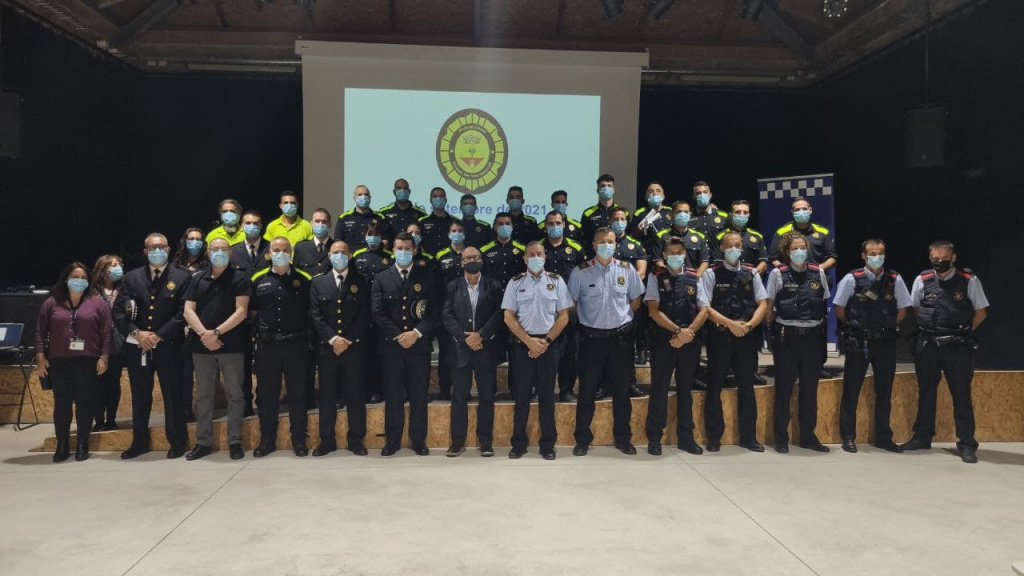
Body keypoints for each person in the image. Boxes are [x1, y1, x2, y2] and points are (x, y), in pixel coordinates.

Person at [903, 240, 989, 463]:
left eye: (944, 257)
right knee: (926, 392)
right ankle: (922, 437)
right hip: (928, 345)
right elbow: (916, 308)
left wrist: (963, 332)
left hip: (957, 347)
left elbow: (980, 313)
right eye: (935, 258)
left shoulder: (969, 280)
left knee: (961, 394)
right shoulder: (922, 280)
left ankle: (967, 443)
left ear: (953, 258)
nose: (939, 261)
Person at [113, 233, 191, 460]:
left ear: (168, 249)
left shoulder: (182, 276)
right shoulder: (131, 277)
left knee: (172, 395)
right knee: (140, 395)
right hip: (138, 346)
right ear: (145, 251)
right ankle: (139, 442)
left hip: (169, 346)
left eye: (162, 247)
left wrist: (157, 336)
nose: (158, 250)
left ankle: (177, 442)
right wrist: (138, 334)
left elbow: (182, 314)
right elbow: (119, 311)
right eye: (152, 247)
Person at [568, 227, 645, 456]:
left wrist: (621, 319)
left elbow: (636, 300)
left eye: (610, 241)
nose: (606, 245)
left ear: (616, 244)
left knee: (622, 392)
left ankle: (623, 439)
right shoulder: (580, 272)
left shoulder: (627, 269)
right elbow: (572, 303)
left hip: (620, 340)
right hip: (591, 340)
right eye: (601, 241)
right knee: (587, 392)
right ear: (593, 245)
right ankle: (582, 439)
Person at [833, 239, 911, 454]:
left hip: (885, 341)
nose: (877, 256)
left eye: (881, 253)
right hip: (859, 341)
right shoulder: (852, 279)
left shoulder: (895, 279)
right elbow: (839, 308)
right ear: (864, 256)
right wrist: (855, 327)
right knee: (851, 390)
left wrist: (884, 326)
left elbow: (903, 309)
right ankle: (848, 437)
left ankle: (884, 437)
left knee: (884, 392)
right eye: (872, 253)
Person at [371, 232, 442, 456]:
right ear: (393, 249)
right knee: (393, 395)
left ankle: (418, 440)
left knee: (419, 395)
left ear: (414, 250)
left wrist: (417, 333)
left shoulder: (427, 276)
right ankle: (392, 441)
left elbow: (435, 310)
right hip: (391, 347)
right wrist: (399, 336)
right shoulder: (381, 278)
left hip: (419, 346)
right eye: (399, 247)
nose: (403, 251)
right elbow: (377, 312)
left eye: (407, 248)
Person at [182, 238, 250, 461]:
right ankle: (202, 442)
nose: (219, 252)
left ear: (230, 252)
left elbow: (241, 311)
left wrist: (217, 333)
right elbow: (188, 311)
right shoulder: (197, 278)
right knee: (203, 397)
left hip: (231, 346)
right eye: (215, 249)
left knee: (235, 396)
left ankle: (234, 441)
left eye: (223, 249)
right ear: (208, 253)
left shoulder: (239, 278)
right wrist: (205, 334)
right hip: (201, 347)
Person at [35, 262, 110, 462]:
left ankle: (83, 444)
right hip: (59, 361)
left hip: (87, 360)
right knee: (62, 404)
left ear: (89, 281)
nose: (79, 281)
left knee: (85, 403)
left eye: (83, 278)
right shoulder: (52, 302)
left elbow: (106, 333)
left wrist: (104, 357)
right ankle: (62, 444)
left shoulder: (98, 303)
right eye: (75, 277)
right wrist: (41, 357)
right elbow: (40, 332)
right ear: (66, 279)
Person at [502, 242, 572, 460]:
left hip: (548, 346)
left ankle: (547, 445)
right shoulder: (515, 283)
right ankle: (519, 444)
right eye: (531, 254)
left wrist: (546, 341)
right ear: (524, 259)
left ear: (545, 257)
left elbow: (564, 315)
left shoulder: (556, 281)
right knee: (521, 396)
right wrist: (529, 342)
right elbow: (508, 317)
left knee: (547, 397)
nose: (535, 257)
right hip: (523, 346)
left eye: (539, 254)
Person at [702, 232, 770, 452]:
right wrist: (730, 324)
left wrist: (748, 326)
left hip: (745, 336)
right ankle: (714, 437)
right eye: (729, 245)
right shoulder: (712, 273)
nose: (734, 248)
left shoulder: (752, 273)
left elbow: (763, 304)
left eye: (738, 245)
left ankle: (748, 438)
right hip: (719, 336)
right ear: (721, 248)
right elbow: (706, 307)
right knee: (714, 387)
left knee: (747, 387)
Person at [766, 232, 831, 454]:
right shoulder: (777, 274)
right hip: (787, 337)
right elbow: (769, 306)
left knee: (809, 390)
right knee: (783, 389)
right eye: (795, 248)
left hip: (813, 337)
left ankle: (808, 436)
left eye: (803, 247)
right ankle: (781, 438)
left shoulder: (818, 272)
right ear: (787, 251)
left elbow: (823, 302)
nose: (800, 251)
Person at [643, 237, 709, 455]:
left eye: (679, 252)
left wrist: (687, 334)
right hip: (664, 341)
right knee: (659, 389)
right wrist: (678, 332)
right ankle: (654, 438)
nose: (675, 256)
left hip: (689, 342)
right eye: (670, 252)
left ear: (684, 255)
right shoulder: (655, 277)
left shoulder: (695, 278)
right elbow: (653, 310)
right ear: (664, 255)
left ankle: (686, 438)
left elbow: (704, 310)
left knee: (685, 391)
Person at [250, 236, 313, 457]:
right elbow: (252, 312)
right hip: (267, 346)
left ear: (291, 252)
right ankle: (267, 440)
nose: (281, 253)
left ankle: (299, 439)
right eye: (276, 250)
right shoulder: (258, 279)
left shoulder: (304, 279)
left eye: (285, 249)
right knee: (267, 395)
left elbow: (311, 312)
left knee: (298, 394)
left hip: (296, 344)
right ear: (268, 254)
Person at [309, 241, 371, 456]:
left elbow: (365, 314)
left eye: (344, 252)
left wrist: (347, 340)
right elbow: (316, 316)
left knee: (356, 394)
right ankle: (327, 440)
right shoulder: (318, 283)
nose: (340, 255)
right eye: (335, 252)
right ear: (329, 255)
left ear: (351, 255)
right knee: (327, 396)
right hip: (328, 349)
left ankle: (356, 440)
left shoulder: (362, 281)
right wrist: (333, 339)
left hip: (354, 348)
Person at [442, 246, 505, 457]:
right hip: (461, 350)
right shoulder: (452, 286)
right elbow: (447, 315)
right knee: (459, 397)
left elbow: (500, 313)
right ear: (461, 262)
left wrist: (482, 335)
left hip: (486, 349)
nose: (473, 260)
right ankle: (457, 442)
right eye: (468, 257)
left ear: (482, 260)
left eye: (476, 257)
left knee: (487, 397)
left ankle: (485, 442)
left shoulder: (494, 285)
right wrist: (465, 337)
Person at [541, 210, 585, 402]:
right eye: (550, 223)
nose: (554, 226)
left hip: (570, 308)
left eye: (558, 223)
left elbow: (584, 276)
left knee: (570, 352)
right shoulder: (538, 248)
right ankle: (544, 389)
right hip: (544, 309)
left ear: (564, 224)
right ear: (545, 226)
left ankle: (566, 389)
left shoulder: (576, 248)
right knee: (547, 350)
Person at [228, 209, 267, 417]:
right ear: (242, 226)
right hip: (239, 317)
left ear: (261, 226)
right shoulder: (232, 251)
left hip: (265, 316)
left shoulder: (272, 248)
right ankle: (244, 404)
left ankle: (263, 400)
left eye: (255, 223)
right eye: (247, 223)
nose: (251, 226)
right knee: (241, 363)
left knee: (263, 362)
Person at [609, 205, 648, 398]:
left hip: (628, 301)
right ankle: (603, 384)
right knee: (604, 347)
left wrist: (624, 289)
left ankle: (629, 383)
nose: (619, 222)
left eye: (622, 219)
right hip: (606, 303)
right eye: (615, 219)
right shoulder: (604, 243)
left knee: (627, 346)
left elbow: (641, 272)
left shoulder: (635, 245)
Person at [352, 222, 393, 405]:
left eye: (377, 234)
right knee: (362, 355)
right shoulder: (357, 257)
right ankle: (363, 390)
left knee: (380, 355)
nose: (373, 238)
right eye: (370, 234)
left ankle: (379, 390)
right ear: (364, 236)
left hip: (383, 312)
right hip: (361, 311)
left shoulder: (390, 257)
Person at [173, 227, 208, 423]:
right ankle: (185, 410)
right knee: (184, 372)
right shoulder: (175, 267)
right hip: (179, 326)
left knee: (204, 374)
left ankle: (205, 412)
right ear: (184, 242)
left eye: (198, 239)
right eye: (190, 239)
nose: (194, 242)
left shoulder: (208, 266)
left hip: (203, 325)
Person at [91, 254, 125, 431]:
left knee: (114, 382)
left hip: (118, 344)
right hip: (96, 344)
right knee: (98, 383)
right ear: (103, 269)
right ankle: (99, 420)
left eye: (119, 264)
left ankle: (111, 418)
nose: (117, 267)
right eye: (112, 265)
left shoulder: (125, 289)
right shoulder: (92, 291)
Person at [768, 197, 837, 271]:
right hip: (790, 278)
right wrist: (784, 270)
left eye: (804, 209)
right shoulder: (781, 232)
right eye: (797, 210)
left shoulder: (823, 232)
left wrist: (819, 269)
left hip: (817, 278)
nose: (801, 211)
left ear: (810, 210)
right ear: (792, 212)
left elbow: (832, 258)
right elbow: (773, 258)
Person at [651, 201, 710, 276]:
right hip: (669, 279)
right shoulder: (661, 236)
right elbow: (658, 261)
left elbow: (704, 262)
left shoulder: (700, 237)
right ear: (671, 214)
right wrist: (670, 274)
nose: (682, 214)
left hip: (693, 280)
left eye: (685, 212)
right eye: (679, 211)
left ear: (690, 214)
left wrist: (695, 278)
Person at [712, 200, 768, 273]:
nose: (742, 215)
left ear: (749, 215)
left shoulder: (757, 236)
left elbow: (763, 261)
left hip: (752, 278)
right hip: (727, 279)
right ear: (731, 214)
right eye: (738, 212)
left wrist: (753, 274)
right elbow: (717, 262)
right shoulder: (720, 236)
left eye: (745, 212)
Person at [481, 213, 527, 290]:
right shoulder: (484, 250)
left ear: (512, 227)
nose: (504, 226)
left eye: (508, 223)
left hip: (516, 294)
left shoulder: (523, 249)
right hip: (492, 295)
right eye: (500, 224)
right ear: (495, 227)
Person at [334, 185, 386, 251]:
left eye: (366, 194)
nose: (363, 197)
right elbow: (338, 242)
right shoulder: (344, 218)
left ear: (370, 198)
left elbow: (385, 241)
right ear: (354, 198)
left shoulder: (380, 217)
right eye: (360, 195)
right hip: (351, 259)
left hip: (373, 258)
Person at [580, 174, 617, 254]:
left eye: (609, 186)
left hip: (617, 256)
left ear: (613, 190)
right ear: (598, 190)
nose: (606, 188)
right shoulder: (588, 213)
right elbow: (584, 239)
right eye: (603, 186)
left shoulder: (621, 212)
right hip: (594, 256)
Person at [294, 208, 335, 277]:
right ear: (311, 224)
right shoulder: (300, 248)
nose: (320, 224)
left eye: (324, 222)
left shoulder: (336, 247)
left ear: (330, 224)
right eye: (317, 221)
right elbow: (296, 273)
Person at [630, 181, 673, 247]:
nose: (655, 194)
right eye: (651, 192)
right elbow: (631, 237)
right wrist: (638, 232)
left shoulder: (671, 211)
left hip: (669, 250)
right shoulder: (639, 213)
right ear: (646, 197)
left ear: (663, 196)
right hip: (649, 252)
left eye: (658, 191)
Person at [418, 187, 456, 255]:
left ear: (445, 200)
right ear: (430, 200)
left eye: (441, 196)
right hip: (428, 261)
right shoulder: (422, 222)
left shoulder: (455, 221)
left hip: (449, 261)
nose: (438, 199)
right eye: (435, 196)